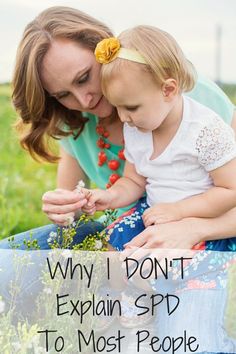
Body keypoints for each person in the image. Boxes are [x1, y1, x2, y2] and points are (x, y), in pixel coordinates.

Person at [0, 5, 235, 253]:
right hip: (129, 231)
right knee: (7, 258)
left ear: (104, 50)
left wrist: (192, 229)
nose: (84, 101)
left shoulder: (188, 99)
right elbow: (80, 214)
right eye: (63, 94)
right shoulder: (75, 120)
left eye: (83, 78)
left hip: (211, 229)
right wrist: (68, 205)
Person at [81, 27, 236, 254]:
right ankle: (121, 289)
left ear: (168, 90)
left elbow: (230, 190)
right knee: (111, 252)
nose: (123, 117)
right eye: (118, 107)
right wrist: (110, 196)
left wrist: (178, 211)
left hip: (199, 219)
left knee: (167, 272)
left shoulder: (205, 130)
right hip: (154, 212)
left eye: (131, 107)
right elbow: (134, 181)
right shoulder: (136, 128)